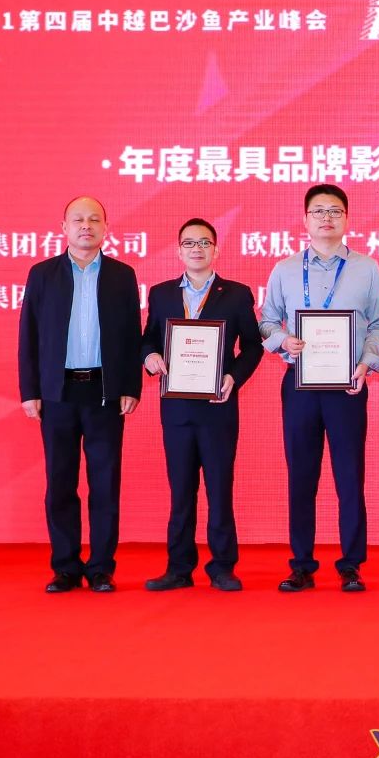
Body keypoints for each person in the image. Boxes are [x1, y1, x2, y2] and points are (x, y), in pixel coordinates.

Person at [259, 184, 379, 592]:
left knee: (349, 476)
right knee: (302, 476)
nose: (327, 217)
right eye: (318, 211)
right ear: (305, 220)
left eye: (335, 210)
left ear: (347, 218)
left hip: (348, 385)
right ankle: (301, 563)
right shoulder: (284, 269)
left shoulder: (366, 268)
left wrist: (367, 363)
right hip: (300, 385)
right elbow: (266, 321)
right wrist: (283, 340)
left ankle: (351, 563)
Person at [18, 196, 142, 593]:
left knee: (105, 483)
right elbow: (28, 335)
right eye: (78, 220)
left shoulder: (122, 275)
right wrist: (30, 390)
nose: (86, 226)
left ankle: (101, 567)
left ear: (106, 228)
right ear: (64, 228)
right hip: (57, 392)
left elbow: (132, 336)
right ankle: (66, 567)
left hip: (105, 392)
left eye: (94, 219)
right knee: (60, 482)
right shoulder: (43, 274)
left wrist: (131, 386)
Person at [140, 218, 263, 592]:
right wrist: (149, 357)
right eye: (189, 243)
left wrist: (233, 377)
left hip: (217, 407)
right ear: (179, 251)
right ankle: (179, 567)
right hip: (177, 410)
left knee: (219, 490)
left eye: (205, 242)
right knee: (181, 492)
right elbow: (147, 339)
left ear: (216, 250)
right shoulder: (161, 294)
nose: (197, 249)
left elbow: (253, 346)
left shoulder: (236, 294)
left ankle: (223, 566)